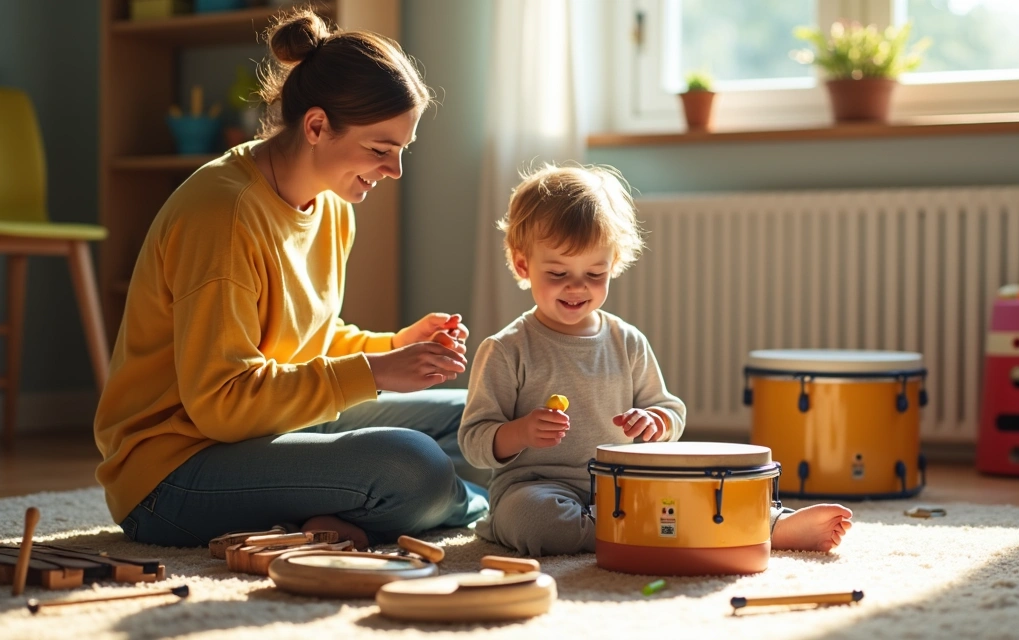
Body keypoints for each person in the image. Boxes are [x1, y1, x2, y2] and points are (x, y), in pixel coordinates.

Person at [94, 8, 486, 551]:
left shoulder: (332, 206)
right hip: (173, 474)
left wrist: (395, 348)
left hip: (267, 433)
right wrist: (374, 372)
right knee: (413, 464)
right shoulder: (222, 214)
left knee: (478, 418)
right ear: (317, 126)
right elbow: (222, 403)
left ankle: (353, 508)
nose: (394, 171)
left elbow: (304, 343)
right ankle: (488, 504)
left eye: (402, 151)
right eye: (380, 150)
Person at [458, 164, 853, 557]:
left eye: (595, 273)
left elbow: (669, 411)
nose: (577, 286)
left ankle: (769, 524)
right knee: (536, 521)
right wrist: (521, 433)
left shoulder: (626, 341)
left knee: (694, 487)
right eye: (558, 272)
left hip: (628, 484)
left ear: (613, 265)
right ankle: (663, 531)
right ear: (523, 264)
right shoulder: (506, 349)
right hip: (539, 486)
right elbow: (474, 442)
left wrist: (655, 422)